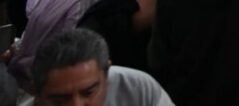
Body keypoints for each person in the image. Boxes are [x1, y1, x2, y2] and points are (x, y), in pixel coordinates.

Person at [29, 28, 173, 106]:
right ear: (37, 95)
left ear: (106, 76)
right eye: (60, 100)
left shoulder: (137, 88)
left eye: (89, 93)